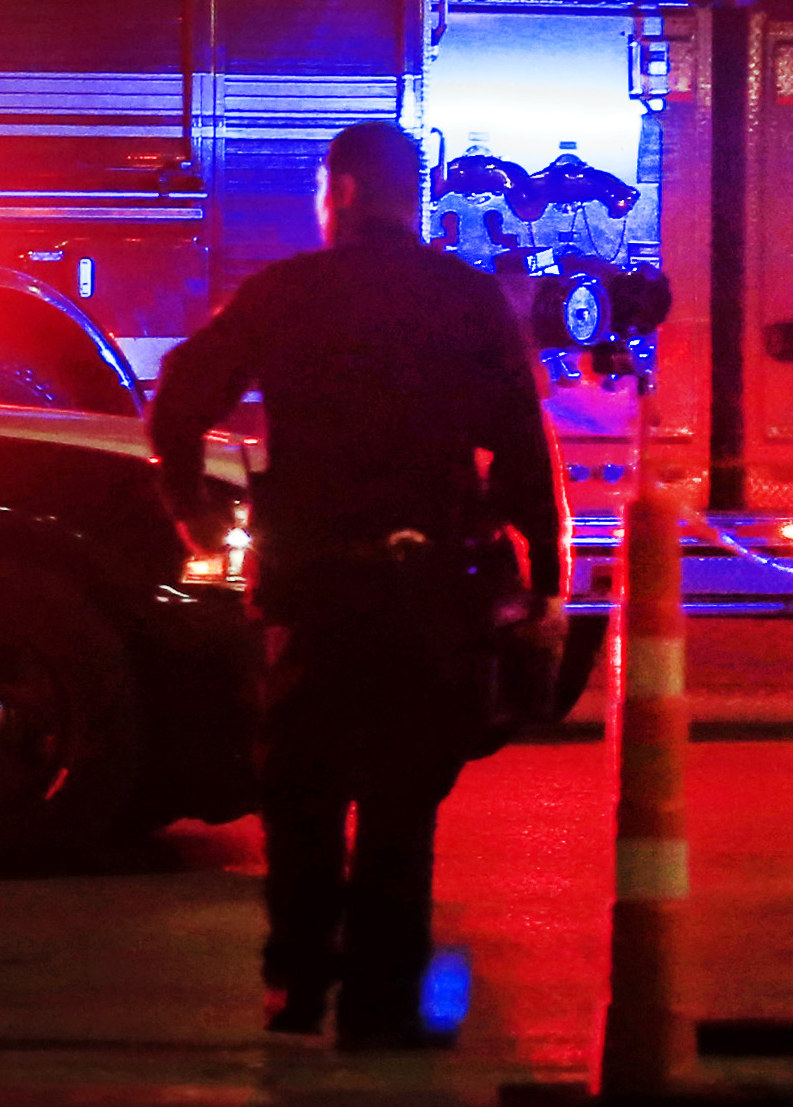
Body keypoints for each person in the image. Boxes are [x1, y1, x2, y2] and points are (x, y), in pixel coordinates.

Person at [149, 121, 564, 1047]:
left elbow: (179, 398)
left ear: (338, 192)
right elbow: (523, 449)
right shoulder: (466, 298)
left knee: (301, 791)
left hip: (315, 585)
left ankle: (299, 985)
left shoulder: (285, 293)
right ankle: (382, 1005)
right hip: (427, 587)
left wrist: (195, 511)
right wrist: (543, 576)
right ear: (410, 196)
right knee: (401, 803)